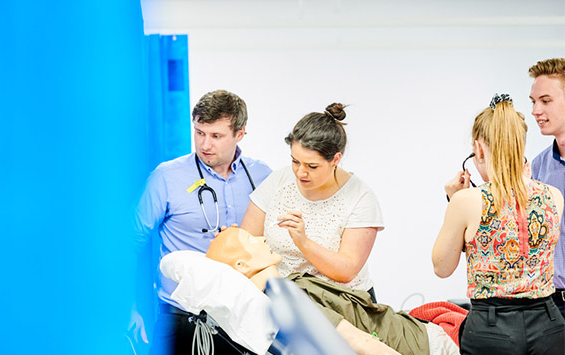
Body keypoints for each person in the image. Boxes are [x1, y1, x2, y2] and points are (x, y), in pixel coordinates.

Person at [130, 90, 272, 354]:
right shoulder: (166, 178)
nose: (205, 145)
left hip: (245, 318)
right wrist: (129, 307)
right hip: (183, 316)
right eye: (199, 133)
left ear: (240, 134)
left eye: (216, 136)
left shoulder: (262, 176)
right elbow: (130, 244)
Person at [432, 93, 565, 354]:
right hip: (551, 325)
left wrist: (454, 200)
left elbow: (442, 267)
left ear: (478, 148)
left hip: (492, 329)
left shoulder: (467, 200)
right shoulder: (554, 197)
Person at [204, 227, 459, 355]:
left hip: (415, 330)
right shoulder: (288, 301)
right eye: (251, 240)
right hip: (423, 345)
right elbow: (361, 343)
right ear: (242, 265)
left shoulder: (288, 288)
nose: (261, 239)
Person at [240, 103, 384, 301]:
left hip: (343, 302)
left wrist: (303, 242)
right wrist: (233, 241)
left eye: (312, 166)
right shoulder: (279, 181)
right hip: (286, 300)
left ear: (335, 159)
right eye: (295, 161)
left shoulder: (360, 197)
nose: (300, 172)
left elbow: (346, 271)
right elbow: (248, 240)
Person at [528, 58, 565, 318]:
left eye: (545, 100)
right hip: (551, 304)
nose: (535, 110)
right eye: (533, 102)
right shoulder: (539, 166)